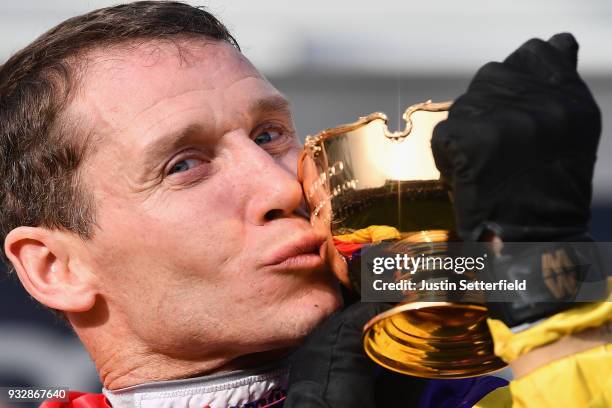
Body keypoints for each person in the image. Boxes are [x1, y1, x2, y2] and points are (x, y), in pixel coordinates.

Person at [0, 2, 609, 407]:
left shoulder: (495, 382)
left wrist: (548, 277)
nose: (282, 187)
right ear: (58, 268)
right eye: (184, 165)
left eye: (269, 135)